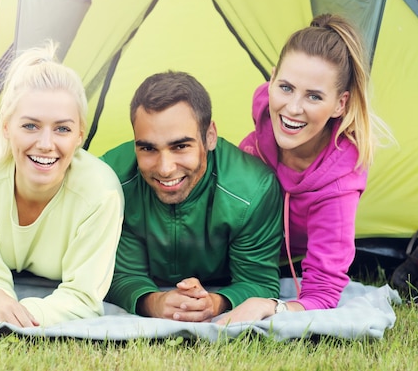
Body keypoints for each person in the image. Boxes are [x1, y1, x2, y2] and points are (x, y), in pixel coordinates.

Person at [216, 14, 392, 324]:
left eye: (313, 96)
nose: (293, 108)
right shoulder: (266, 114)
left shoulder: (337, 186)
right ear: (272, 80)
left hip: (261, 264)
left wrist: (272, 307)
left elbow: (321, 294)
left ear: (340, 104)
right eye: (285, 87)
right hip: (216, 241)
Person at [0, 41, 124, 328]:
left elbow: (83, 297)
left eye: (62, 128)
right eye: (30, 126)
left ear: (80, 136)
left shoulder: (102, 193)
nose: (46, 144)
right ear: (6, 128)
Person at [101, 70, 283, 322]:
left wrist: (215, 303)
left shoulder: (254, 190)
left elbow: (258, 281)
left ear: (209, 136)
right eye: (148, 148)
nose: (165, 168)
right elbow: (117, 274)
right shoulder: (111, 181)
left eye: (180, 146)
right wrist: (153, 302)